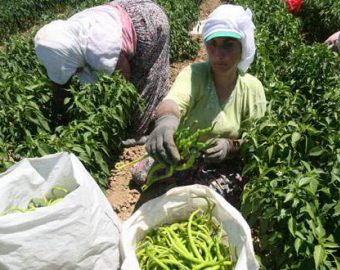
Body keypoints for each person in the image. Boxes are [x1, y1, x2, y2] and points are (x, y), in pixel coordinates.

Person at [132, 4, 267, 207]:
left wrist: (230, 146)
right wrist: (166, 122)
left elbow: (258, 141)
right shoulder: (195, 74)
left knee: (209, 199)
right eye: (213, 44)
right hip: (182, 154)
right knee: (149, 182)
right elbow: (174, 101)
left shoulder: (251, 88)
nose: (219, 53)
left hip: (220, 165)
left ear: (243, 47)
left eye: (228, 44)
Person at [34, 0, 170, 134]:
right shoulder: (64, 41)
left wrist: (111, 114)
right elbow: (60, 86)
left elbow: (123, 84)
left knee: (144, 82)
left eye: (73, 69)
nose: (74, 72)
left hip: (147, 22)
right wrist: (61, 119)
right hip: (121, 12)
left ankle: (147, 127)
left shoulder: (100, 49)